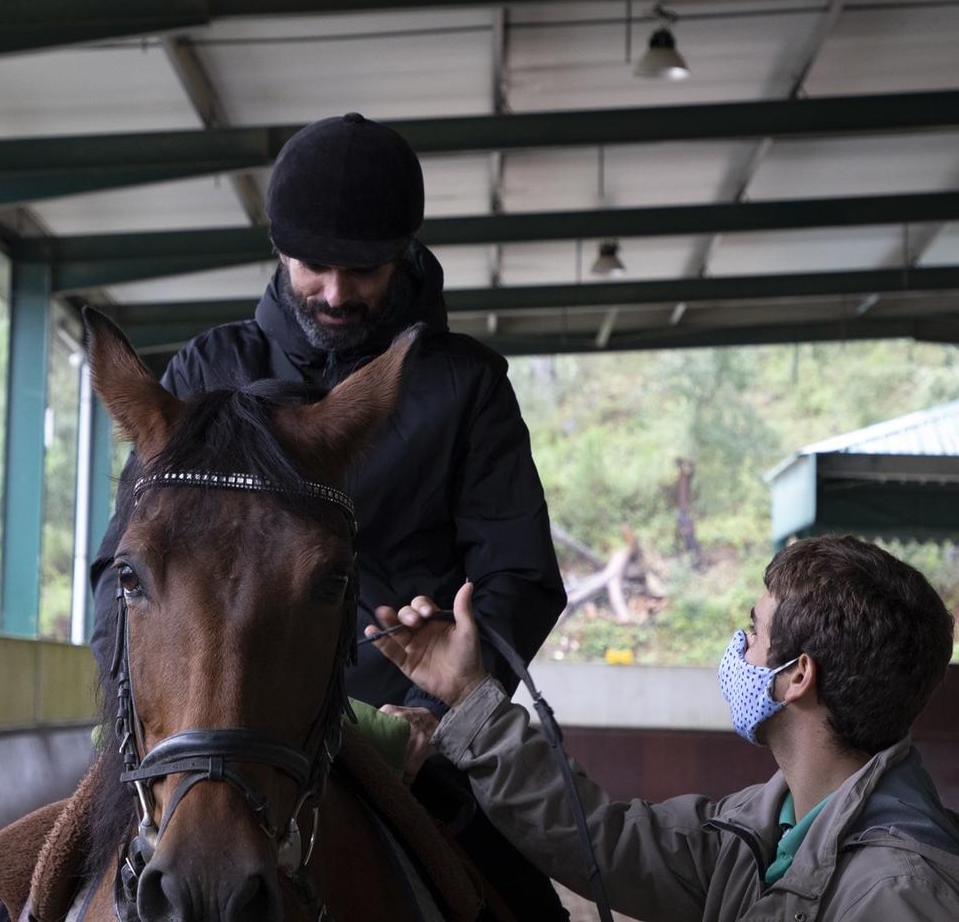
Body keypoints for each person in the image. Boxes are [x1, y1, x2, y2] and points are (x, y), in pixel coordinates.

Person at [89, 112, 570, 915]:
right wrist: (140, 725)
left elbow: (519, 573)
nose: (337, 292)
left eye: (364, 269)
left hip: (404, 735)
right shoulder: (208, 370)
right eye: (315, 266)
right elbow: (123, 570)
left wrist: (437, 704)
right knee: (31, 885)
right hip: (207, 726)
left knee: (524, 903)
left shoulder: (468, 387)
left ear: (405, 253)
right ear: (280, 250)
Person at [369, 534, 959, 921]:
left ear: (797, 676)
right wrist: (470, 697)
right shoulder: (766, 824)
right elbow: (604, 843)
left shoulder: (899, 892)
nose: (738, 648)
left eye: (753, 631)